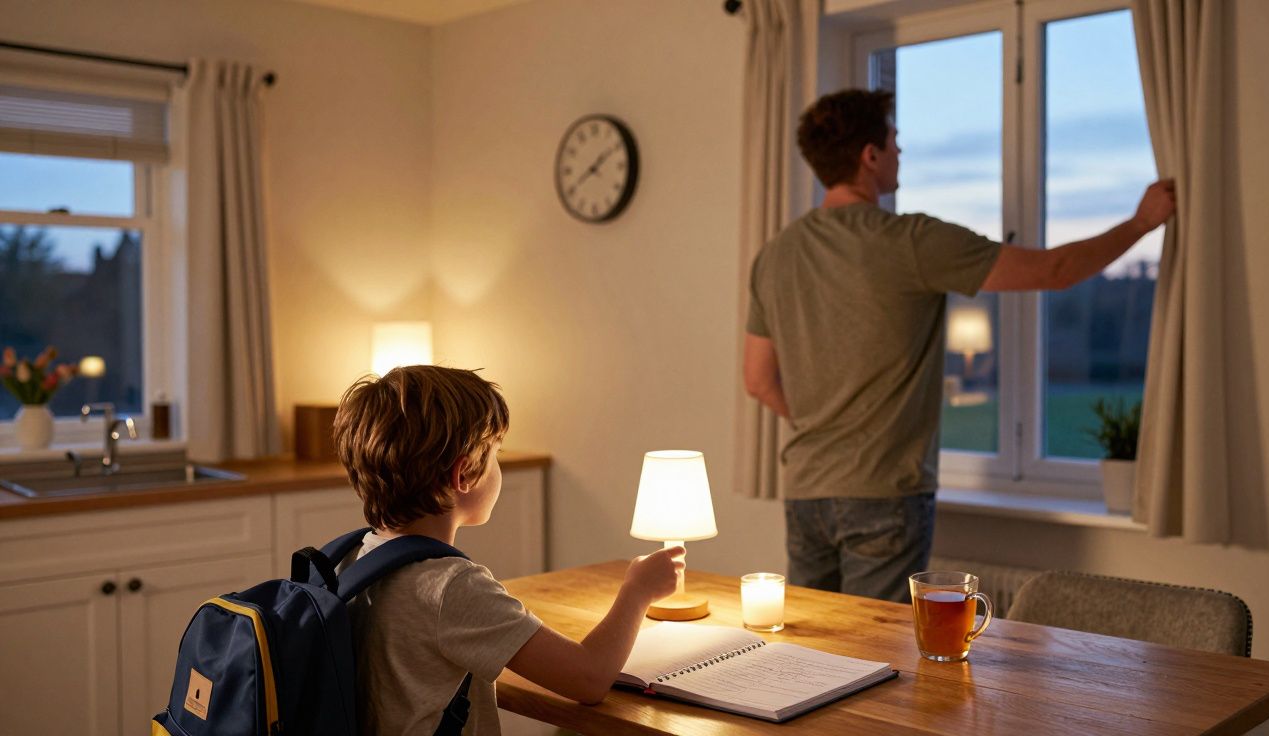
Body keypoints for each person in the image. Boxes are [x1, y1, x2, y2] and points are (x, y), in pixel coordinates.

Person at [743, 88, 1175, 603]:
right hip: (884, 493)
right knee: (875, 645)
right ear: (870, 155)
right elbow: (1054, 270)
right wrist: (1141, 223)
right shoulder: (910, 241)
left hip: (805, 492)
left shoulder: (776, 254)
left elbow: (758, 380)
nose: (900, 151)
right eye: (894, 141)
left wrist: (826, 424)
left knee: (810, 643)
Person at [334, 365, 684, 735]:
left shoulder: (352, 558)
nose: (498, 466)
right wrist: (637, 590)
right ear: (464, 474)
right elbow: (589, 678)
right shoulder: (451, 586)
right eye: (495, 453)